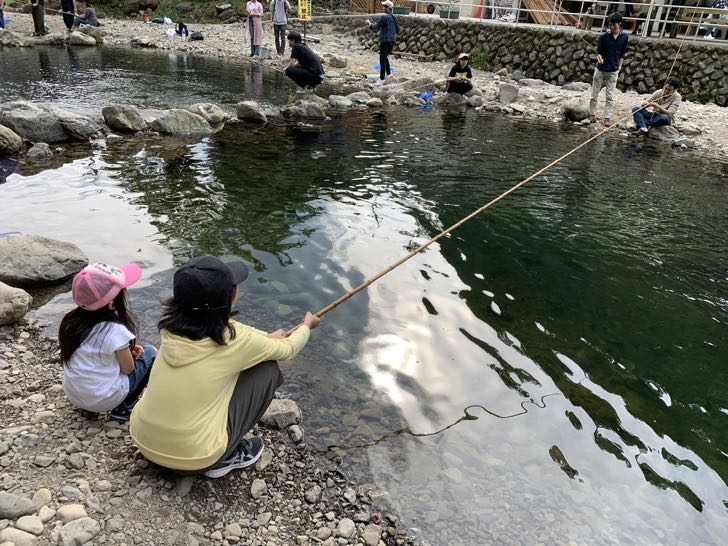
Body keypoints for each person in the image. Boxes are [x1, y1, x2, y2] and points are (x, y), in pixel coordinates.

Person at [130, 256, 321, 478]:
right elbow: (288, 349)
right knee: (267, 369)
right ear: (230, 296)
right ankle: (226, 457)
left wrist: (267, 338)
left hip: (143, 441)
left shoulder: (170, 328)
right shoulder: (234, 340)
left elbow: (238, 334)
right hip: (195, 459)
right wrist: (306, 326)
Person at [59, 262, 156, 422]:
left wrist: (125, 349)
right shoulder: (115, 331)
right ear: (112, 304)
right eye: (123, 290)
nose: (126, 292)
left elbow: (92, 354)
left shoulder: (70, 323)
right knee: (150, 353)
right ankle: (124, 408)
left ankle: (87, 408)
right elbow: (128, 369)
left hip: (74, 394)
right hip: (103, 399)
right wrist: (129, 355)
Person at [588, 12, 628, 127]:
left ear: (619, 24)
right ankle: (591, 114)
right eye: (609, 25)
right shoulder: (604, 37)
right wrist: (599, 58)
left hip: (614, 70)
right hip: (600, 69)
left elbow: (622, 54)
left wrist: (619, 67)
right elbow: (599, 52)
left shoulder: (624, 37)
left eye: (613, 25)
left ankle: (607, 117)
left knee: (610, 96)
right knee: (594, 94)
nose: (611, 27)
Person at [366, 0, 400, 86]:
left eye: (385, 7)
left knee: (382, 59)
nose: (383, 8)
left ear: (389, 8)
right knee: (385, 57)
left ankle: (381, 79)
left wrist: (369, 24)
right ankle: (388, 74)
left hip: (385, 41)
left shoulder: (384, 17)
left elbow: (376, 27)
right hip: (392, 41)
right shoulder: (394, 17)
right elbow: (398, 30)